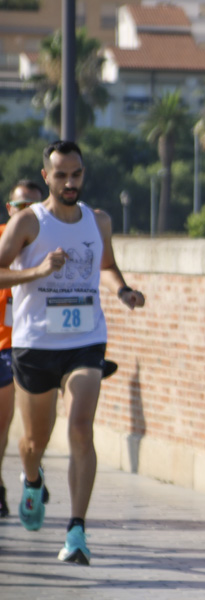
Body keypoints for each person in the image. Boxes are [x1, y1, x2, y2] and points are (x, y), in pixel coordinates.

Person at [0, 140, 145, 565]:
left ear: (84, 174)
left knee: (81, 426)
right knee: (33, 442)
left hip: (85, 340)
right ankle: (31, 479)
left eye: (76, 174)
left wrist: (122, 290)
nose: (69, 183)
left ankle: (77, 530)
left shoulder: (98, 221)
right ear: (47, 177)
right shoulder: (29, 222)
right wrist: (39, 271)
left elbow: (107, 263)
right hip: (35, 343)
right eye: (61, 175)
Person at [0, 180, 44, 518]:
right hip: (4, 342)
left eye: (33, 205)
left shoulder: (51, 237)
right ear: (8, 208)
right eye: (20, 205)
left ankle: (32, 472)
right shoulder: (4, 237)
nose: (25, 211)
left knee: (35, 426)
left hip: (39, 342)